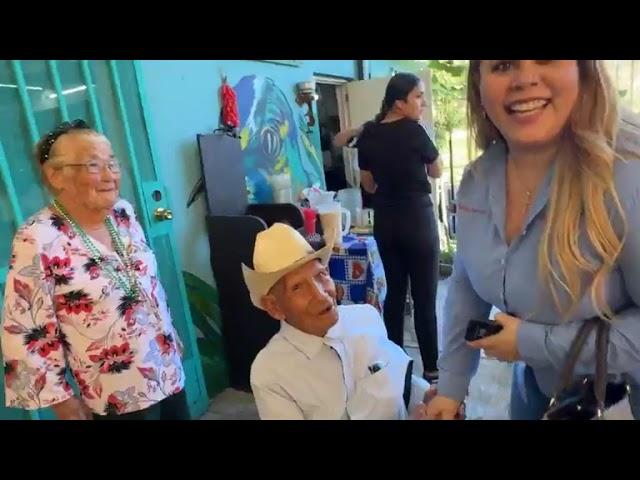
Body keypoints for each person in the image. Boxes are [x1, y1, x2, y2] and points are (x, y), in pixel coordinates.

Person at [426, 60, 640, 420]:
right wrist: (450, 388)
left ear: (584, 70)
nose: (524, 79)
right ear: (479, 84)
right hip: (537, 391)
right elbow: (466, 289)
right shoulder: (477, 180)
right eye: (503, 65)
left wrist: (529, 342)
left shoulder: (629, 173)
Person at [1, 120, 189, 420]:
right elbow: (25, 325)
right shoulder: (37, 238)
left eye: (112, 163)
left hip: (165, 368)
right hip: (112, 392)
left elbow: (144, 283)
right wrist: (60, 400)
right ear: (55, 175)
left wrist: (168, 333)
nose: (110, 175)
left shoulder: (123, 214)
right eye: (93, 165)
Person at [244, 223, 455, 420]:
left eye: (321, 275)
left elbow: (400, 383)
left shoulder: (365, 317)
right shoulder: (270, 374)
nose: (321, 294)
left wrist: (429, 400)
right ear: (274, 307)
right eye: (298, 287)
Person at [353, 73, 444, 384]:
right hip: (417, 220)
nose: (423, 102)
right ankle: (431, 370)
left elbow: (367, 182)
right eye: (418, 96)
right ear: (399, 103)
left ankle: (397, 363)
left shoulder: (368, 135)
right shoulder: (414, 131)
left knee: (394, 295)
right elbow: (437, 171)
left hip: (386, 221)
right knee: (424, 299)